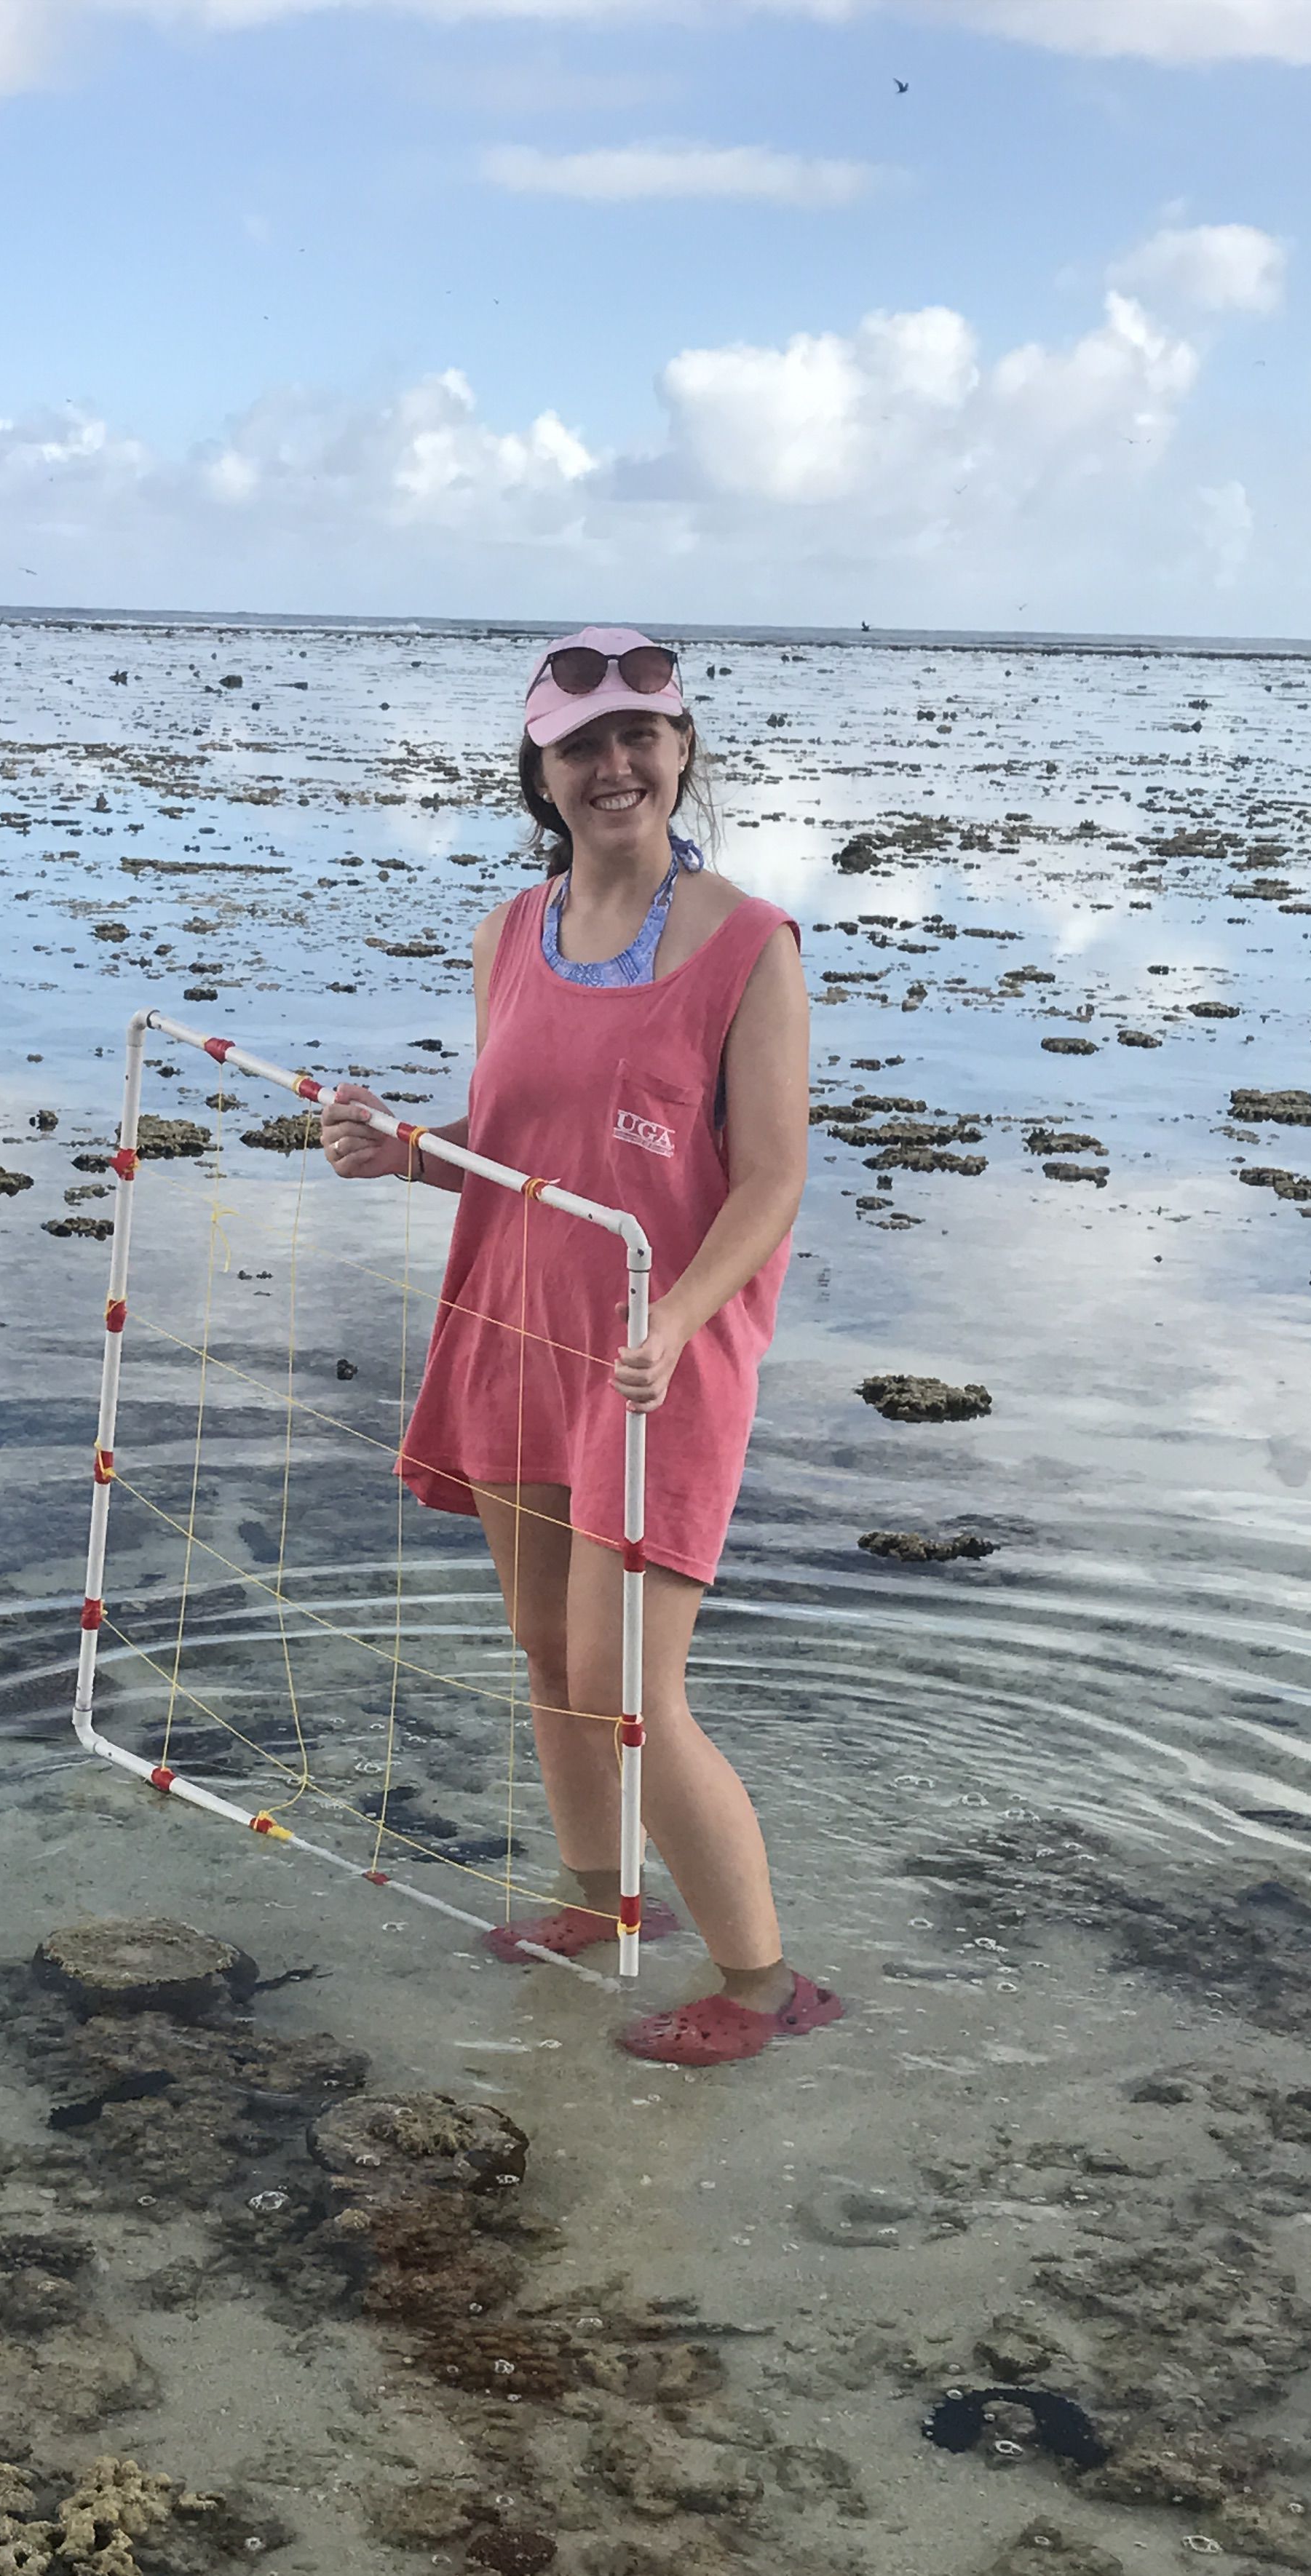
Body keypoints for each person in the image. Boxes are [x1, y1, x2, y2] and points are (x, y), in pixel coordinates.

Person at [320, 627, 840, 2067]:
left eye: (642, 736)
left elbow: (775, 1181)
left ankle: (765, 1985)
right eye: (582, 744)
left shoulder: (749, 945)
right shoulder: (507, 934)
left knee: (628, 1683)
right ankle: (603, 1903)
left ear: (682, 754)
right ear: (540, 774)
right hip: (514, 1324)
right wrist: (405, 1154)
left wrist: (676, 1317)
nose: (615, 766)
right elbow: (511, 1151)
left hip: (657, 1357)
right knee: (549, 1650)